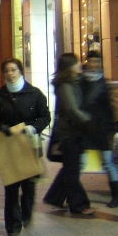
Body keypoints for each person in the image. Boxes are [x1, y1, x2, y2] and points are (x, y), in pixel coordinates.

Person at [0, 58, 51, 236]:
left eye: (13, 70)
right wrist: (4, 129)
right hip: (8, 144)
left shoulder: (35, 93)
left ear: (20, 72)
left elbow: (45, 116)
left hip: (29, 143)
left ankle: (26, 213)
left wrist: (33, 128)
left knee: (29, 186)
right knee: (11, 188)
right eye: (7, 71)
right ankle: (13, 225)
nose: (10, 74)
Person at [43, 53, 94, 217]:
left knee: (71, 167)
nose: (80, 64)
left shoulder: (74, 82)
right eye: (77, 62)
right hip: (70, 133)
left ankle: (55, 197)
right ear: (70, 66)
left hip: (74, 131)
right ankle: (79, 204)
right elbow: (72, 109)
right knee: (72, 169)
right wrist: (87, 120)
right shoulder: (66, 85)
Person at [81, 50, 118, 207]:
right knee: (80, 163)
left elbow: (110, 108)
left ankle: (116, 196)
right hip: (85, 128)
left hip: (102, 129)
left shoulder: (104, 83)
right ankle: (71, 194)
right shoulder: (81, 82)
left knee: (108, 162)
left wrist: (111, 128)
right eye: (92, 61)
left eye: (97, 62)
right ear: (87, 62)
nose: (95, 65)